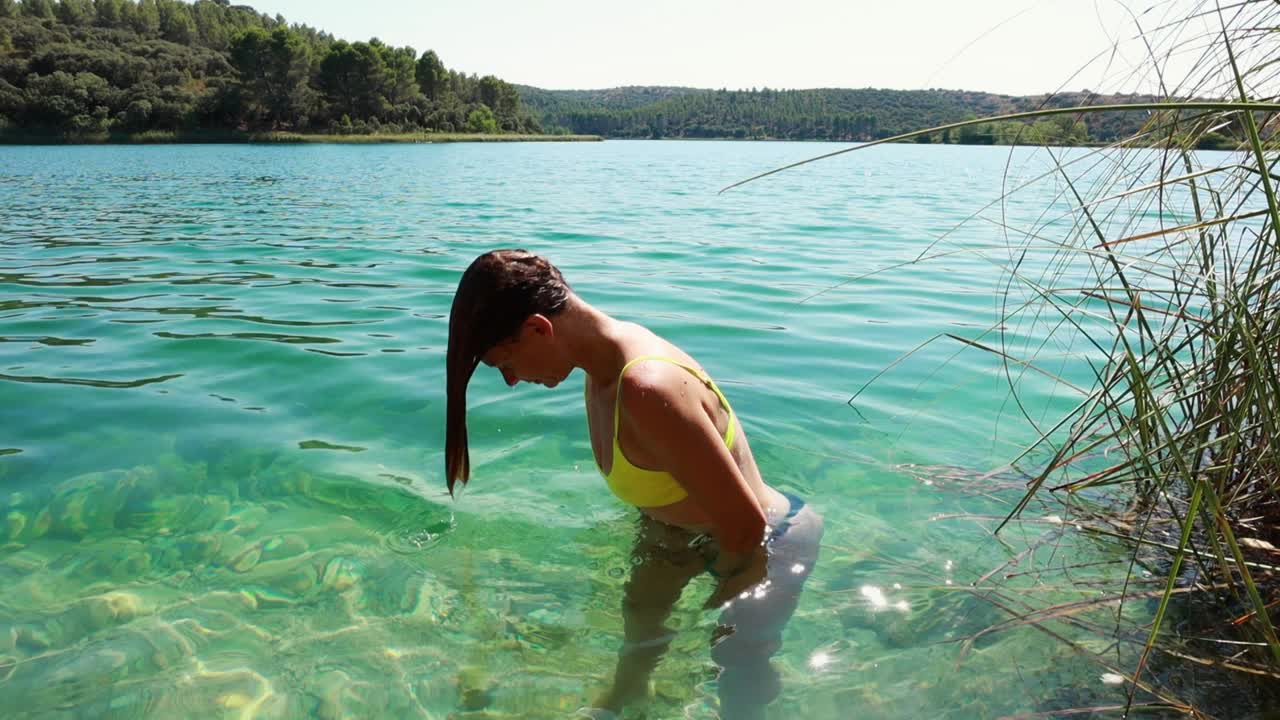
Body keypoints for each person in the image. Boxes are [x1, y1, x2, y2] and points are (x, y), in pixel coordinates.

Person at [445, 249, 823, 719]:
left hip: (771, 539)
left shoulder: (645, 388)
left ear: (539, 329)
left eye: (505, 362)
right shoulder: (597, 366)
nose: (510, 380)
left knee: (734, 661)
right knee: (640, 634)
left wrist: (714, 609)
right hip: (685, 533)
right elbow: (666, 487)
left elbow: (745, 529)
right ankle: (624, 705)